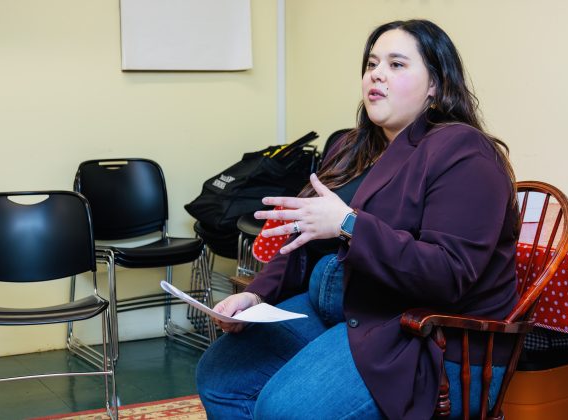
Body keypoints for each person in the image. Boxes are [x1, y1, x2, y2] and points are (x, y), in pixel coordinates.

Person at [196, 19, 518, 419]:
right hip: (348, 310)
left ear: (435, 84)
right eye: (371, 64)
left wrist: (348, 224)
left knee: (284, 408)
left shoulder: (465, 153)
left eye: (396, 65)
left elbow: (447, 273)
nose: (376, 74)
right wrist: (256, 295)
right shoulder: (353, 147)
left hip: (421, 335)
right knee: (220, 377)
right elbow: (302, 241)